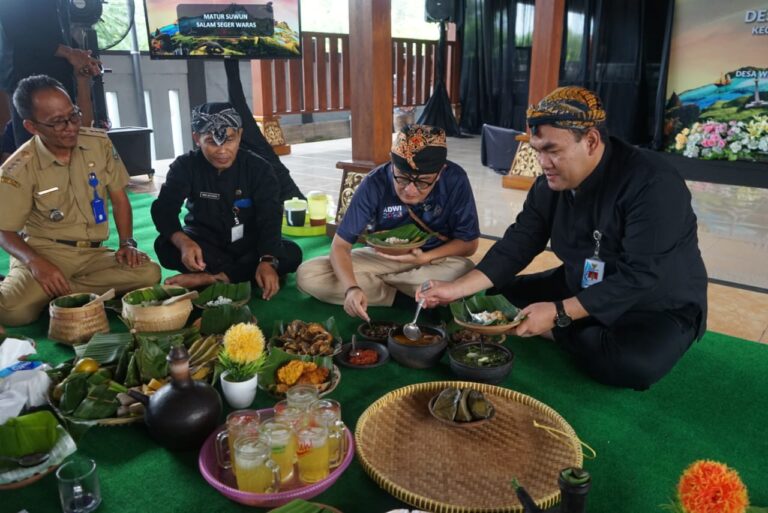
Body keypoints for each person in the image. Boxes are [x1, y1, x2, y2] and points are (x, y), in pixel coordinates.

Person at [418, 86, 708, 390]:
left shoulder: (653, 182)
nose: (542, 163)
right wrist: (456, 288)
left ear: (591, 141)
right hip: (580, 281)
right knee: (490, 298)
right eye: (537, 150)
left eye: (552, 150)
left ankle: (561, 329)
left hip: (655, 303)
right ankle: (574, 323)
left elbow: (640, 275)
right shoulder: (549, 185)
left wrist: (557, 314)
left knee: (631, 365)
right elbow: (519, 242)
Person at [0, 75, 161, 326]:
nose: (71, 126)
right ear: (32, 126)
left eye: (73, 115)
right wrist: (36, 263)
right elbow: (5, 231)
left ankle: (57, 293)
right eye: (57, 122)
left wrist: (127, 243)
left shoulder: (99, 143)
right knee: (12, 312)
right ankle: (42, 287)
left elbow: (119, 199)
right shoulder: (19, 168)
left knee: (149, 273)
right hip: (46, 252)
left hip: (93, 255)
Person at [297, 124, 480, 321]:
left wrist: (424, 259)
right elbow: (340, 246)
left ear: (441, 171)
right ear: (392, 164)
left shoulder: (455, 179)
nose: (410, 190)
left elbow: (469, 244)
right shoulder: (374, 182)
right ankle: (406, 297)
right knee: (308, 275)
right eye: (401, 178)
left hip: (435, 260)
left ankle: (382, 286)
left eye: (422, 182)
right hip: (383, 258)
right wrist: (351, 288)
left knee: (464, 271)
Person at [151, 102, 302, 299]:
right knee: (165, 245)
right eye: (212, 142)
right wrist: (184, 242)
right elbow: (164, 210)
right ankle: (238, 274)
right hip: (204, 243)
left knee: (291, 253)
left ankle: (211, 278)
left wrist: (267, 259)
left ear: (239, 135)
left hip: (248, 244)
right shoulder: (185, 166)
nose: (222, 151)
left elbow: (270, 217)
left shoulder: (259, 168)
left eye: (229, 140)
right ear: (197, 138)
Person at [0, 0, 101, 147]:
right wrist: (69, 53)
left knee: (70, 135)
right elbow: (16, 31)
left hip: (61, 77)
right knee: (38, 146)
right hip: (28, 79)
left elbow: (60, 33)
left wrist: (81, 56)